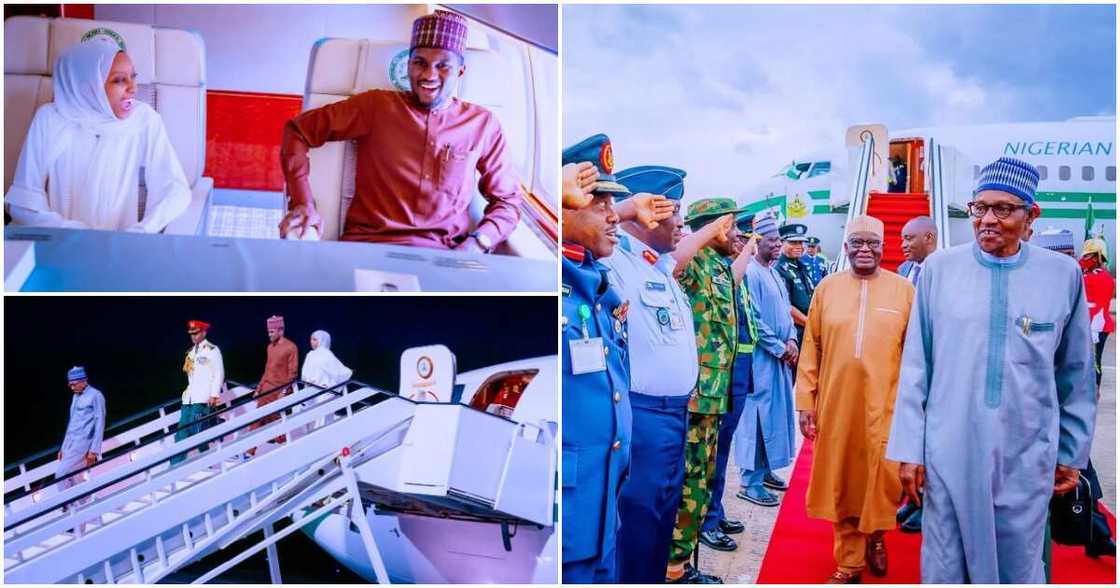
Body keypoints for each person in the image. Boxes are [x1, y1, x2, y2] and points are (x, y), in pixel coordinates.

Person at [886, 157, 1097, 583]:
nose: (987, 220)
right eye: (979, 208)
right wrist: (909, 448)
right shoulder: (940, 271)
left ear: (1031, 215)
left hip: (1026, 452)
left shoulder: (1062, 275)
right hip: (948, 450)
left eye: (1003, 209)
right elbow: (915, 366)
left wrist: (1071, 452)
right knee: (945, 563)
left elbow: (1076, 374)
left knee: (1018, 563)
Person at [278, 10, 521, 251]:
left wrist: (478, 242)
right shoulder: (375, 106)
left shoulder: (483, 124)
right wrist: (302, 204)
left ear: (460, 71)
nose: (429, 75)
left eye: (443, 65)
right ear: (408, 65)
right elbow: (297, 131)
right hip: (367, 248)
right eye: (419, 63)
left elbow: (508, 202)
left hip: (446, 257)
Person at [795, 216, 914, 584]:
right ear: (845, 248)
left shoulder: (904, 290)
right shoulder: (827, 289)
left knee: (883, 481)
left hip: (888, 406)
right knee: (843, 482)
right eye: (857, 243)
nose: (865, 249)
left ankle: (877, 537)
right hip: (837, 405)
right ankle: (849, 562)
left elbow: (915, 355)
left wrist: (916, 410)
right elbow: (811, 348)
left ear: (883, 248)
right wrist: (805, 400)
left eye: (872, 244)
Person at [598, 165, 698, 584]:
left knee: (660, 524)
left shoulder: (659, 269)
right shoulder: (614, 261)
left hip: (675, 417)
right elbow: (569, 240)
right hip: (642, 417)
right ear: (648, 212)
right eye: (673, 211)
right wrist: (623, 210)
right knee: (636, 530)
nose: (682, 223)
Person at [5, 37, 191, 232]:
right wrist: (71, 234)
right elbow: (23, 201)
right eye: (119, 80)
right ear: (88, 85)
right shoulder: (50, 119)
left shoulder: (143, 120)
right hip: (59, 245)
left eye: (133, 76)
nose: (133, 88)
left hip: (118, 249)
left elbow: (175, 189)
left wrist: (142, 231)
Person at [665, 197, 752, 584]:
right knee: (688, 484)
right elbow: (676, 261)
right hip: (697, 397)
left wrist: (745, 245)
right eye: (730, 227)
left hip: (716, 397)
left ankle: (682, 563)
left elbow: (732, 278)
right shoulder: (694, 261)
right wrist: (709, 232)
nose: (735, 234)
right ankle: (673, 568)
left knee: (702, 482)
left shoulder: (717, 266)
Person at [560, 134, 631, 584]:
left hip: (603, 508)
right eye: (599, 201)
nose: (614, 215)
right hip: (568, 516)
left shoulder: (596, 283)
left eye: (614, 202)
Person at [700, 212, 761, 555]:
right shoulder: (702, 265)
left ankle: (714, 510)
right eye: (734, 229)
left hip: (737, 366)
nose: (739, 236)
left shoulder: (724, 268)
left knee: (721, 451)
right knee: (711, 452)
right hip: (718, 373)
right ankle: (706, 519)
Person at [735, 211, 797, 509]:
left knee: (775, 417)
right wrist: (779, 347)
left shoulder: (772, 271)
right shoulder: (750, 272)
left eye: (779, 239)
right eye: (772, 240)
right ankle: (751, 481)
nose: (778, 244)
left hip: (779, 358)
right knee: (757, 419)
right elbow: (753, 320)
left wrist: (793, 341)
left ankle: (766, 469)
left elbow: (785, 312)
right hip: (761, 360)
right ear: (756, 241)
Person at [173, 321, 224, 466]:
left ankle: (208, 463)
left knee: (198, 432)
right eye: (191, 334)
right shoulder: (190, 353)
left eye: (196, 333)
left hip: (203, 398)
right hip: (188, 399)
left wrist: (214, 395)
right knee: (181, 433)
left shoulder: (212, 350)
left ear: (204, 332)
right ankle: (175, 466)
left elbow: (218, 373)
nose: (193, 337)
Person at [56, 366, 106, 497]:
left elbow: (100, 423)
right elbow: (72, 423)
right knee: (76, 479)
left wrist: (94, 450)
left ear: (83, 380)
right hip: (70, 444)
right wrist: (63, 447)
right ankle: (85, 511)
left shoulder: (96, 395)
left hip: (83, 443)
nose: (72, 388)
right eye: (70, 385)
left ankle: (66, 504)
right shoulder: (75, 397)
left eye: (74, 384)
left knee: (60, 474)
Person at [1081, 238, 1115, 387]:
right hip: (1089, 323)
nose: (1084, 259)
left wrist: (1093, 328)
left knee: (1094, 362)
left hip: (1096, 326)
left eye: (1088, 256)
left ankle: (1094, 392)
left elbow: (1099, 305)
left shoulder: (1101, 277)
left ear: (1097, 257)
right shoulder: (1088, 275)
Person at [776, 223, 815, 351]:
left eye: (800, 243)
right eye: (793, 243)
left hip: (807, 328)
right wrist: (809, 323)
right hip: (794, 332)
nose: (798, 247)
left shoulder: (802, 266)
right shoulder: (779, 269)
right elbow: (785, 305)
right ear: (782, 243)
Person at [897, 216, 937, 286]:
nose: (903, 245)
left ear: (928, 237)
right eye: (903, 240)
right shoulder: (902, 269)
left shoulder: (946, 269)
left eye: (908, 239)